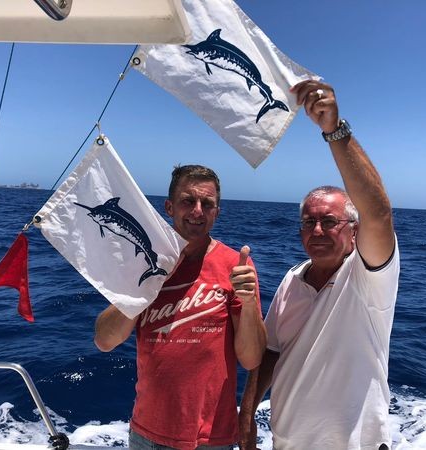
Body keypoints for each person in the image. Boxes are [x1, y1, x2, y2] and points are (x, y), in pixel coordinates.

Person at [239, 80, 399, 450]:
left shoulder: (368, 276)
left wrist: (334, 131)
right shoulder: (292, 279)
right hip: (286, 441)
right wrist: (246, 416)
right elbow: (270, 351)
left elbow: (378, 214)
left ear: (354, 231)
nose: (317, 230)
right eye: (309, 222)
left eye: (329, 221)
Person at [94, 165, 266, 450]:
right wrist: (146, 287)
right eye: (188, 201)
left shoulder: (237, 267)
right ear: (169, 207)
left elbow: (251, 359)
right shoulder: (143, 261)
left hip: (211, 439)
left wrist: (248, 304)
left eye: (207, 204)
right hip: (147, 435)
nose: (198, 211)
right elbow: (105, 340)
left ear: (217, 212)